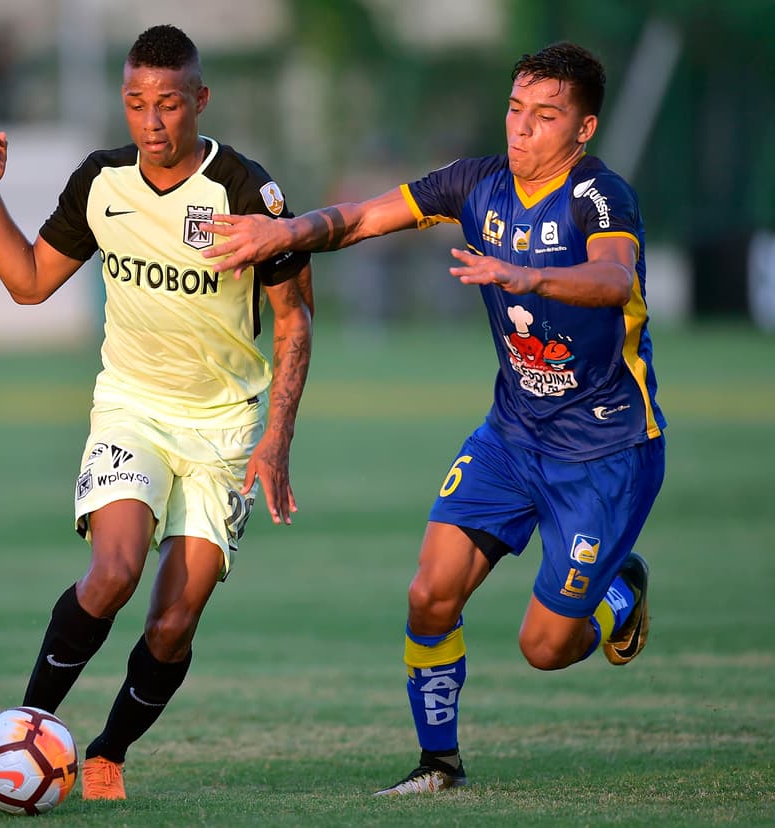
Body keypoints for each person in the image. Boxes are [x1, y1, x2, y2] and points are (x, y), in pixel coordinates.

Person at [202, 42, 666, 795]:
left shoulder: (599, 198)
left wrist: (530, 273)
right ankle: (438, 764)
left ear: (583, 131)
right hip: (513, 437)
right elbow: (363, 217)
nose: (522, 129)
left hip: (607, 450)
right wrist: (285, 234)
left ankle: (617, 594)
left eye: (546, 117)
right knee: (428, 593)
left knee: (545, 649)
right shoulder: (475, 183)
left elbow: (615, 277)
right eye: (516, 109)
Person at [0, 25, 314, 801]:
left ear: (200, 101)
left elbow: (294, 321)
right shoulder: (101, 182)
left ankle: (108, 750)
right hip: (132, 410)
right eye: (136, 104)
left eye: (169, 105)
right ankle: (25, 733)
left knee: (172, 624)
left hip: (222, 429)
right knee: (113, 570)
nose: (152, 123)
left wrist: (277, 436)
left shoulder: (248, 193)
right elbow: (28, 282)